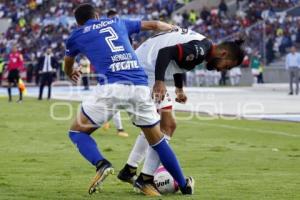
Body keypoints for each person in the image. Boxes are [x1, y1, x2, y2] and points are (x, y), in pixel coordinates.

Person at [64, 4, 194, 196]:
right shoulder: (117, 21)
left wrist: (70, 73)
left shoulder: (76, 35)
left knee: (77, 132)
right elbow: (154, 24)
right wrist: (174, 30)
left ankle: (102, 164)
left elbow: (68, 64)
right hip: (139, 86)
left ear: (78, 23)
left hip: (110, 87)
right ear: (98, 15)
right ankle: (184, 185)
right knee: (158, 142)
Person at [118, 28, 245, 192]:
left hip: (139, 67)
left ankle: (130, 169)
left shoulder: (202, 46)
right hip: (142, 73)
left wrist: (178, 88)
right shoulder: (200, 50)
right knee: (167, 125)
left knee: (157, 124)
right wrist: (159, 81)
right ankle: (145, 179)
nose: (222, 70)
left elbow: (177, 61)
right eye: (226, 66)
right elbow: (166, 53)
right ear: (224, 53)